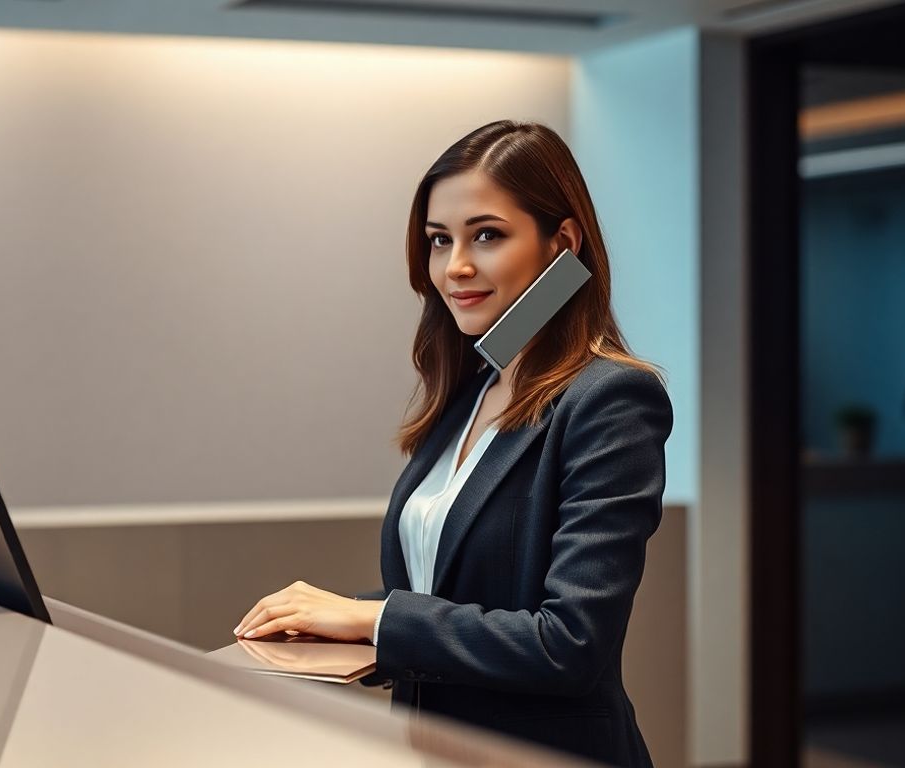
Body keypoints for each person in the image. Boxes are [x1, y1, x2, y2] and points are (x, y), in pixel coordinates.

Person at [233, 119, 671, 768]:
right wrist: (337, 620)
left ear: (562, 243)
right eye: (440, 240)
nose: (455, 266)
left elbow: (570, 645)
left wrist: (374, 620)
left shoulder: (610, 398)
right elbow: (456, 602)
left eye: (486, 235)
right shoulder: (471, 393)